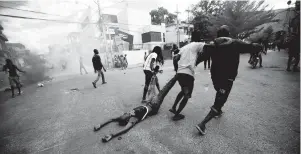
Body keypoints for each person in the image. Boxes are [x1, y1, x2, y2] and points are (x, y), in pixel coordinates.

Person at [194, 25, 262, 135]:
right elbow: (251, 47)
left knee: (219, 91)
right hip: (228, 77)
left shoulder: (212, 45)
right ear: (228, 34)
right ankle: (203, 124)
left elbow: (201, 57)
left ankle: (218, 110)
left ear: (218, 35)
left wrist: (192, 65)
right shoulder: (235, 43)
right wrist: (259, 46)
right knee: (221, 99)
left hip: (215, 76)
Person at [94, 68, 178, 143]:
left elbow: (111, 119)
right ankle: (176, 77)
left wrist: (100, 125)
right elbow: (125, 129)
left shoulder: (127, 115)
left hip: (148, 103)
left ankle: (165, 75)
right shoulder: (133, 119)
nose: (125, 114)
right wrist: (112, 135)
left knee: (153, 84)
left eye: (125, 114)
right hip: (154, 107)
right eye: (125, 115)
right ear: (127, 120)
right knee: (165, 90)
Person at [169, 42, 206, 121]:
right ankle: (176, 115)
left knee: (183, 91)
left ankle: (173, 107)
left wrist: (177, 70)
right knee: (187, 95)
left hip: (180, 74)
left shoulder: (183, 48)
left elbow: (175, 59)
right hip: (188, 75)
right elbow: (206, 50)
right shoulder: (197, 44)